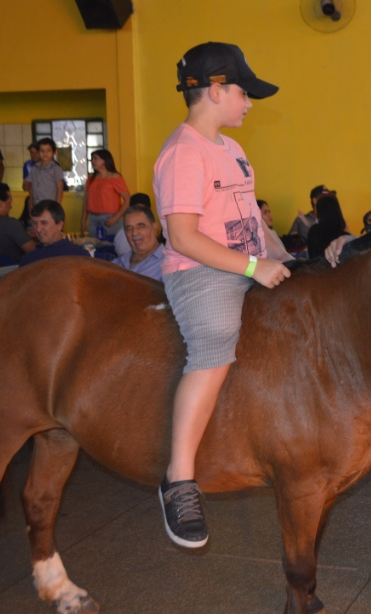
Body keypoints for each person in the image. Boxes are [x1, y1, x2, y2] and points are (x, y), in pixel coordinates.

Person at [153, 41, 288, 549]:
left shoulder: (233, 151)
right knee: (215, 338)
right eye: (244, 92)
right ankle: (180, 479)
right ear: (214, 91)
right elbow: (184, 237)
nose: (249, 102)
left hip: (244, 264)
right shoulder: (183, 152)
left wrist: (289, 261)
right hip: (200, 272)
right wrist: (255, 267)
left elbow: (253, 222)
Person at [19, 200, 91, 266]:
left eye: (44, 223)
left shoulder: (79, 257)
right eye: (34, 223)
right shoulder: (29, 259)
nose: (38, 229)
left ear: (60, 225)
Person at [81, 149, 131, 240]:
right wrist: (83, 220)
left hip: (110, 219)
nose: (92, 161)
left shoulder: (115, 177)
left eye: (95, 159)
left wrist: (116, 218)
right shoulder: (91, 178)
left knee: (110, 245)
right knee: (94, 245)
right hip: (93, 219)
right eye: (92, 159)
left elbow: (127, 200)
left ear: (104, 160)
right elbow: (86, 200)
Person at [113, 205, 165, 280]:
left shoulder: (168, 263)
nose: (134, 233)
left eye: (140, 226)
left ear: (154, 228)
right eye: (129, 229)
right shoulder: (118, 263)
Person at [23, 138, 65, 211]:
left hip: (50, 206)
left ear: (54, 152)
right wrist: (31, 205)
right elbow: (31, 188)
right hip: (36, 205)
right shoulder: (34, 168)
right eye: (42, 151)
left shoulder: (56, 169)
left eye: (48, 151)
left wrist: (57, 206)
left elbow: (60, 189)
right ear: (38, 152)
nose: (45, 154)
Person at [305, 194, 350, 260]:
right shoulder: (345, 237)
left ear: (319, 213)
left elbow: (312, 259)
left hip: (317, 269)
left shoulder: (313, 232)